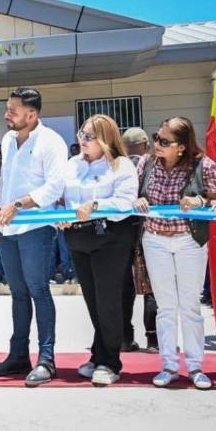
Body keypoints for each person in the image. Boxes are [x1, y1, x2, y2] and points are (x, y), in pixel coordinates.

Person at [0, 87, 67, 387]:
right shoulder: (8, 140)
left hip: (35, 229)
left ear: (31, 115)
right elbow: (8, 181)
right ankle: (18, 355)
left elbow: (54, 187)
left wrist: (18, 205)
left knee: (38, 290)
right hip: (8, 229)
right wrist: (2, 208)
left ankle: (46, 360)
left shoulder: (51, 142)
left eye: (13, 110)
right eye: (7, 108)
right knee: (18, 293)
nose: (7, 114)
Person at [134, 117, 216, 390]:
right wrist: (138, 200)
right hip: (155, 240)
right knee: (166, 306)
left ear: (182, 147)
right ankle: (169, 365)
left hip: (189, 240)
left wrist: (202, 200)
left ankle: (195, 366)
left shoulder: (202, 165)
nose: (157, 144)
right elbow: (129, 194)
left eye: (164, 141)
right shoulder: (146, 164)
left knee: (191, 306)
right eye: (156, 138)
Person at [61, 115, 139, 385]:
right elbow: (64, 197)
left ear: (105, 138)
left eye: (89, 136)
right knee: (93, 302)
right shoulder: (72, 164)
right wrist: (61, 214)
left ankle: (109, 363)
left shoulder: (122, 165)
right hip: (78, 239)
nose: (82, 140)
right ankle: (98, 354)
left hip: (110, 238)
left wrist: (95, 204)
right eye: (81, 134)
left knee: (108, 302)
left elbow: (125, 201)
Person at [122, 127, 156, 351]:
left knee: (124, 287)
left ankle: (125, 339)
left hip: (123, 233)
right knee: (152, 287)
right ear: (145, 144)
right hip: (148, 232)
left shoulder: (118, 165)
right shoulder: (153, 164)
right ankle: (153, 341)